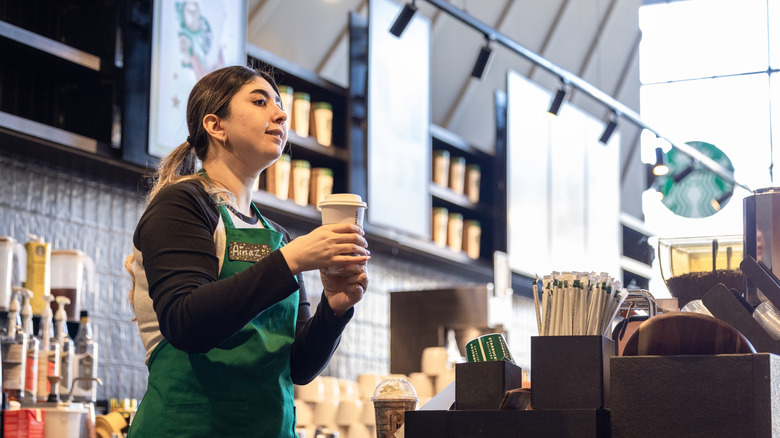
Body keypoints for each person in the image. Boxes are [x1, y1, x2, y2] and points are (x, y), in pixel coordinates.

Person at [124, 65, 370, 437]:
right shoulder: (182, 204)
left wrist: (335, 308)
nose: (281, 114)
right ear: (216, 125)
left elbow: (299, 367)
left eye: (280, 105)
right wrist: (290, 262)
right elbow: (186, 322)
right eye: (260, 101)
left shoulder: (277, 236)